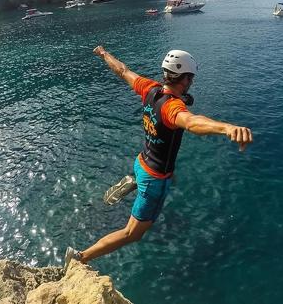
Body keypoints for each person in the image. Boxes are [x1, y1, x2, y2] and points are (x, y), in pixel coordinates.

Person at [64, 46, 253, 267]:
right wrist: (227, 128)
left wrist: (104, 54)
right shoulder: (172, 108)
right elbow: (192, 122)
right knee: (132, 234)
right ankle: (79, 257)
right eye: (190, 78)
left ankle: (135, 180)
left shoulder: (150, 89)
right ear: (185, 79)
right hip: (154, 179)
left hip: (142, 161)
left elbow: (123, 70)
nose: (191, 83)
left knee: (172, 176)